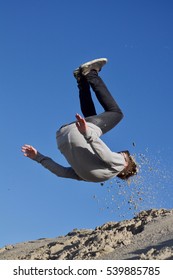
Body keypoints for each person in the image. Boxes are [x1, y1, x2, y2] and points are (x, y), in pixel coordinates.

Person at [22, 58, 138, 182]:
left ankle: (90, 73)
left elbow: (107, 155)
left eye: (124, 156)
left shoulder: (120, 164)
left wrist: (86, 133)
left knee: (116, 113)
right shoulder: (90, 178)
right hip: (61, 137)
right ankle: (81, 79)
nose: (121, 155)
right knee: (92, 117)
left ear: (126, 165)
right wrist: (38, 157)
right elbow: (61, 172)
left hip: (80, 133)